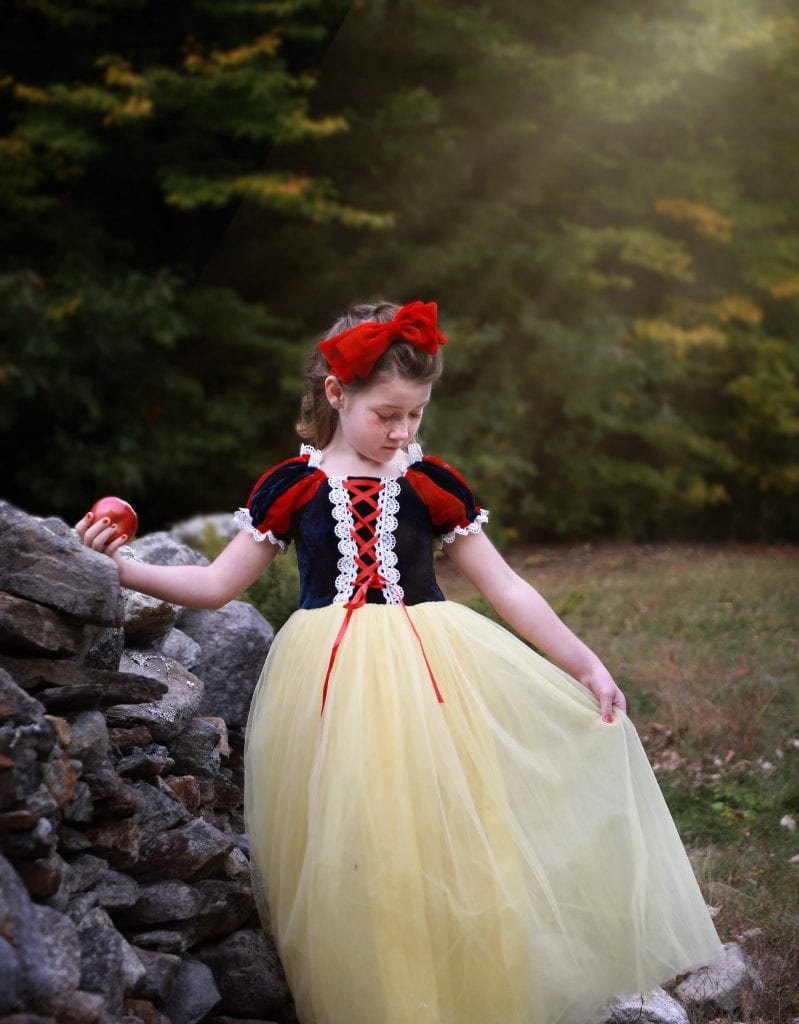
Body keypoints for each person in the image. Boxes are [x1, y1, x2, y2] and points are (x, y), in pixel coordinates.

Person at [77, 299, 722, 1024]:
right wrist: (119, 568)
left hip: (432, 679)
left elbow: (504, 584)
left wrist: (584, 663)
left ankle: (482, 995)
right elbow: (214, 585)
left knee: (454, 839)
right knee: (359, 846)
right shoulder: (292, 486)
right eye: (386, 413)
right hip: (328, 685)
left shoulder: (427, 484)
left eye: (415, 414)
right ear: (334, 394)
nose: (402, 430)